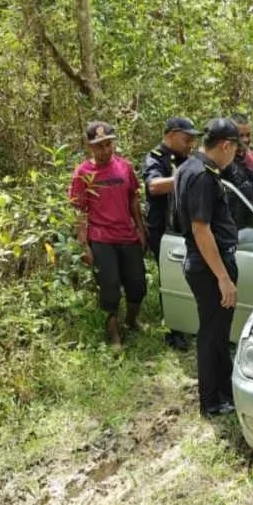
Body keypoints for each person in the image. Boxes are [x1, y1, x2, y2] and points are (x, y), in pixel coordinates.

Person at [174, 118, 243, 417]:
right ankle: (212, 401)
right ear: (226, 145)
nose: (234, 158)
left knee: (214, 331)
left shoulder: (187, 167)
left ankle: (222, 393)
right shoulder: (203, 175)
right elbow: (201, 229)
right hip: (209, 265)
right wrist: (223, 278)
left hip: (203, 263)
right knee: (213, 335)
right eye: (234, 151)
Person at [69, 121, 148, 348]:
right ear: (89, 146)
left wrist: (140, 230)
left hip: (127, 235)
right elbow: (79, 210)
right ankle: (113, 333)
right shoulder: (83, 173)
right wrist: (84, 246)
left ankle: (132, 321)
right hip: (101, 238)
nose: (104, 150)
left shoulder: (124, 167)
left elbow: (133, 199)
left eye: (108, 145)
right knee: (110, 285)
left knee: (137, 284)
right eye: (99, 146)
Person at [143, 116, 201, 351]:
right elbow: (154, 186)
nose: (190, 144)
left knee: (192, 277)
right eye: (186, 139)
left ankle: (191, 323)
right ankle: (173, 330)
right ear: (171, 135)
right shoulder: (154, 158)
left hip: (185, 228)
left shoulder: (186, 158)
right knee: (170, 280)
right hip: (163, 231)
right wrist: (183, 177)